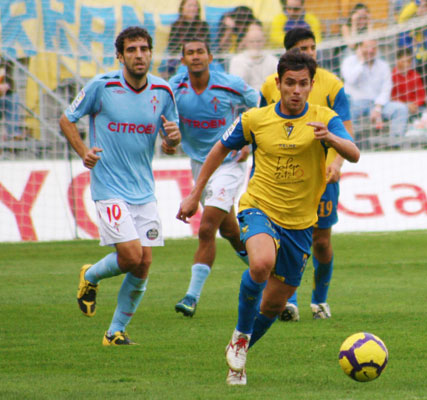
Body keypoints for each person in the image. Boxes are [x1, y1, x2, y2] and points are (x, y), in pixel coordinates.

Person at [177, 50, 359, 385]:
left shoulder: (325, 117)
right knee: (260, 264)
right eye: (290, 83)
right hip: (259, 207)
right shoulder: (255, 119)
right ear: (278, 83)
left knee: (274, 305)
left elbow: (354, 153)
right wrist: (194, 193)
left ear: (310, 84)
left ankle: (239, 349)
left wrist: (330, 138)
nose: (296, 90)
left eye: (303, 84)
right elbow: (219, 149)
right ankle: (243, 337)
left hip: (301, 224)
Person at [59, 26, 181, 345]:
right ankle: (91, 275)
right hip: (109, 187)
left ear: (151, 53)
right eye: (132, 50)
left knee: (144, 263)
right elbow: (66, 119)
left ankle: (115, 332)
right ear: (120, 56)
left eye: (144, 49)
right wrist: (83, 151)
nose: (139, 55)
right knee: (130, 256)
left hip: (144, 190)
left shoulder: (164, 92)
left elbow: (170, 138)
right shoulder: (101, 86)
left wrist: (172, 142)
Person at [260, 27, 354, 321]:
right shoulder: (270, 86)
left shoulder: (333, 85)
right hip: (283, 177)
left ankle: (320, 301)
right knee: (283, 242)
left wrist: (336, 164)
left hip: (322, 174)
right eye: (303, 48)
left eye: (313, 47)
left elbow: (346, 132)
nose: (310, 53)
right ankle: (289, 302)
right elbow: (263, 128)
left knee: (321, 241)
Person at [170, 39, 259, 317]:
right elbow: (161, 117)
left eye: (200, 52)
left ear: (209, 56)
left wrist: (249, 140)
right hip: (199, 164)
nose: (195, 57)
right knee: (230, 231)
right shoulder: (174, 88)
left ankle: (191, 297)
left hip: (230, 163)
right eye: (190, 53)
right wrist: (167, 139)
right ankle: (272, 272)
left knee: (207, 227)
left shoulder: (229, 84)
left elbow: (261, 106)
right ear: (183, 59)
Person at [341, 39, 409, 137]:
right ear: (359, 48)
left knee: (401, 109)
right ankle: (349, 144)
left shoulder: (383, 65)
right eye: (367, 47)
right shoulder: (349, 61)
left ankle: (395, 143)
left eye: (373, 48)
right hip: (355, 103)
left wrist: (378, 108)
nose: (371, 51)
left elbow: (386, 89)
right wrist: (361, 62)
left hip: (376, 103)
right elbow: (350, 79)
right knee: (348, 110)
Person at [163, 0, 210, 78]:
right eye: (189, 6)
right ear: (182, 8)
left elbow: (206, 45)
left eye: (195, 6)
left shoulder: (203, 25)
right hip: (180, 58)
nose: (192, 8)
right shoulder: (176, 26)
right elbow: (172, 48)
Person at [229, 21, 279, 91]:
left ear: (264, 41)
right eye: (252, 41)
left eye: (258, 41)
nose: (255, 44)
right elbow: (237, 86)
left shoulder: (273, 60)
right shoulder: (237, 61)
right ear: (246, 42)